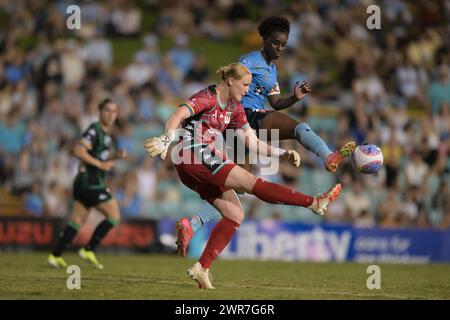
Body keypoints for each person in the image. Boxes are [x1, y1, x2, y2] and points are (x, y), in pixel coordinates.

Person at [144, 63, 341, 289]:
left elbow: (252, 141)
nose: (248, 90)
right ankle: (314, 203)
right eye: (245, 85)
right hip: (191, 153)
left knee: (235, 214)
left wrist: (282, 153)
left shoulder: (235, 108)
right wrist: (167, 138)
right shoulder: (208, 96)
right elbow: (178, 114)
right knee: (250, 183)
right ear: (230, 81)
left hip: (192, 166)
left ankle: (202, 267)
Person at [175, 16, 355, 256]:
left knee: (237, 187)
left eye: (283, 45)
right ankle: (328, 156)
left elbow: (276, 103)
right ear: (265, 40)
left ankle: (192, 224)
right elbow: (232, 82)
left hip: (241, 124)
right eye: (276, 43)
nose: (279, 48)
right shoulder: (249, 61)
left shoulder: (272, 69)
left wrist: (294, 98)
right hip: (244, 116)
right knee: (298, 129)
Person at [48, 98, 127, 270]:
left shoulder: (106, 136)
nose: (111, 114)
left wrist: (115, 155)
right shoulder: (94, 130)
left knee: (77, 220)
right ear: (99, 112)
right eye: (107, 110)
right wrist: (100, 165)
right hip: (90, 181)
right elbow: (78, 150)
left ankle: (55, 255)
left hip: (85, 181)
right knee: (114, 216)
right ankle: (88, 249)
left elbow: (101, 157)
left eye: (114, 111)